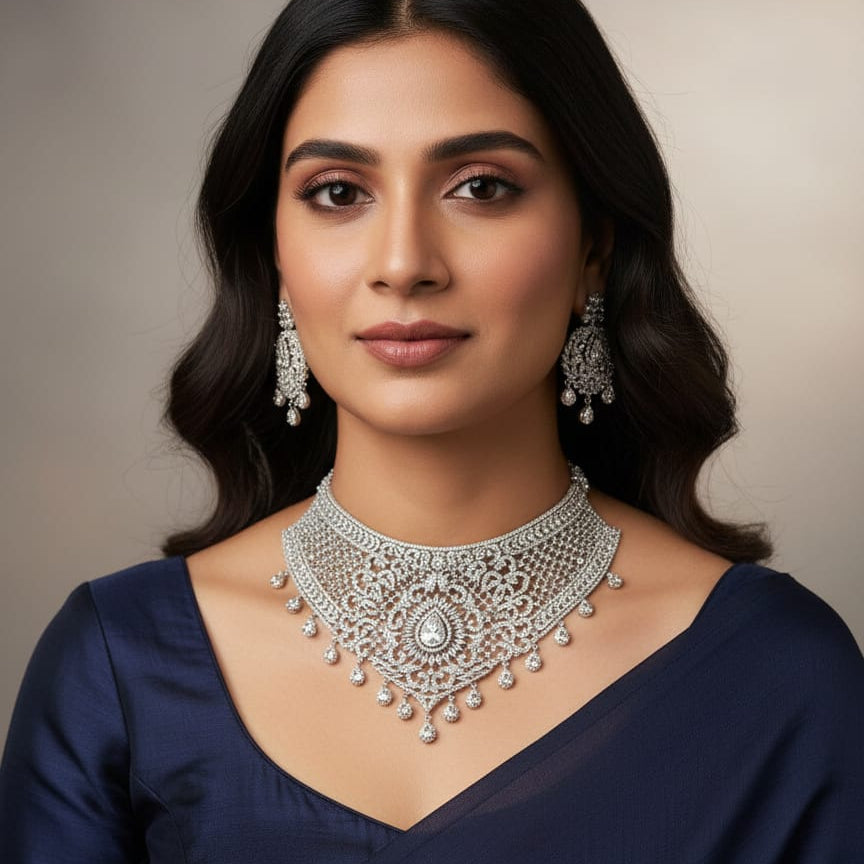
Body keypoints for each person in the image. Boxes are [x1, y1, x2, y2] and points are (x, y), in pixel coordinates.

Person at [2, 0, 862, 860]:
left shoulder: (776, 679)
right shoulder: (120, 666)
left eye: (480, 187)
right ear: (272, 255)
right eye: (338, 193)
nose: (405, 262)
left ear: (593, 248)